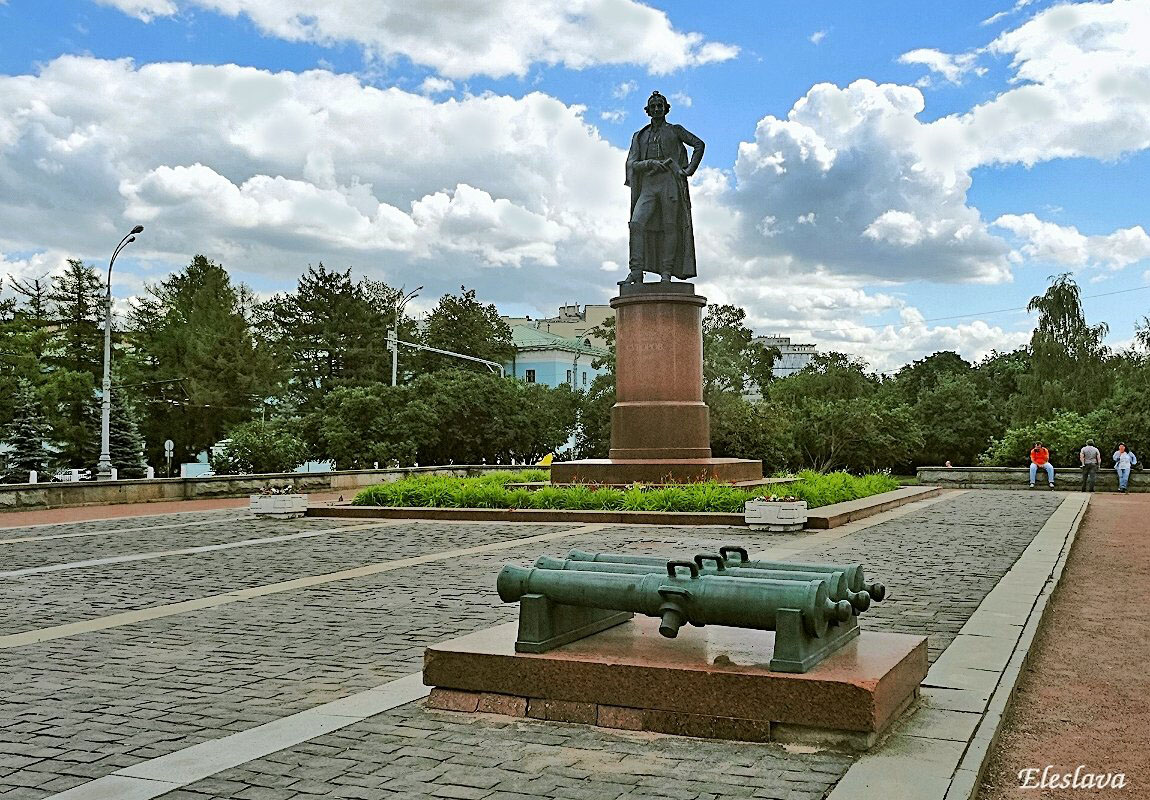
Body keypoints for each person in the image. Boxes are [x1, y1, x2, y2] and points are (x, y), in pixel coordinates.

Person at [623, 91, 704, 285]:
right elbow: (632, 163)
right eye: (654, 106)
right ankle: (636, 271)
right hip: (649, 185)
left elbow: (699, 144)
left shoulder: (675, 130)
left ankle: (666, 272)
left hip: (670, 183)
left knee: (670, 226)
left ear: (666, 109)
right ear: (648, 111)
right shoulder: (640, 136)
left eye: (661, 106)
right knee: (636, 223)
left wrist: (687, 170)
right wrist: (649, 163)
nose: (657, 109)